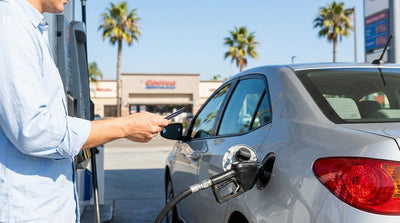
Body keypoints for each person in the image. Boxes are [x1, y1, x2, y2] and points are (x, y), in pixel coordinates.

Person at [0, 0, 169, 222]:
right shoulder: (10, 26)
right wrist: (125, 126)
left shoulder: (30, 28)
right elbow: (33, 130)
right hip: (28, 213)